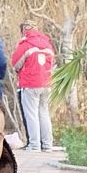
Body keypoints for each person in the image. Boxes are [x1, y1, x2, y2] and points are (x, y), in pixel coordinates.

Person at [11, 22, 57, 152]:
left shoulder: (25, 44)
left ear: (24, 30)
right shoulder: (48, 44)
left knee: (31, 114)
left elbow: (15, 64)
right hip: (46, 83)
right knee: (44, 113)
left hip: (30, 83)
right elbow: (53, 64)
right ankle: (47, 144)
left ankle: (34, 144)